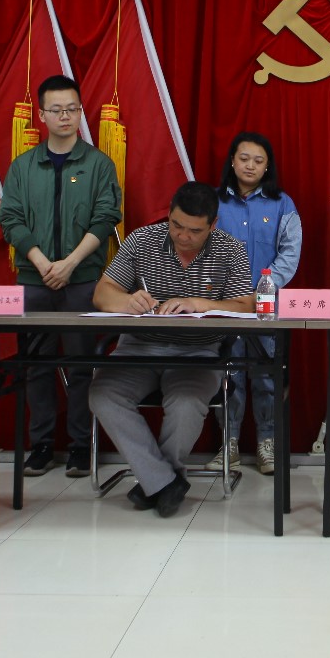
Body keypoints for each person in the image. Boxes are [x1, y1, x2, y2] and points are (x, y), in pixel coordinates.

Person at [88, 182, 255, 518]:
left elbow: (246, 305)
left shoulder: (230, 250)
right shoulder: (142, 240)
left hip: (198, 352)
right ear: (168, 214)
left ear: (213, 224)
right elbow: (102, 293)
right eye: (176, 225)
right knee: (102, 395)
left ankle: (155, 480)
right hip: (138, 347)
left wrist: (199, 303)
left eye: (194, 231)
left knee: (186, 403)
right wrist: (127, 301)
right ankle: (165, 482)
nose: (183, 236)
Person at [0, 74, 122, 478]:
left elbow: (106, 217)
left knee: (83, 365)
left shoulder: (99, 164)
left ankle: (81, 446)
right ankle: (42, 445)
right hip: (34, 282)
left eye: (72, 109)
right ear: (42, 115)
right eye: (57, 110)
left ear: (81, 111)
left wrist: (69, 264)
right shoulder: (23, 167)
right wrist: (41, 263)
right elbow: (10, 219)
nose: (65, 116)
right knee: (36, 365)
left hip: (82, 280)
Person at [205, 132, 301, 476]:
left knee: (266, 374)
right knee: (227, 373)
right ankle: (228, 442)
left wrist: (263, 289)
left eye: (258, 161)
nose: (250, 166)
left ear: (267, 167)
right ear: (232, 161)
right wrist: (227, 291)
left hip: (266, 306)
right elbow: (200, 250)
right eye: (244, 158)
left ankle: (267, 442)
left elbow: (289, 253)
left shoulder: (282, 204)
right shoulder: (213, 202)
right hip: (224, 304)